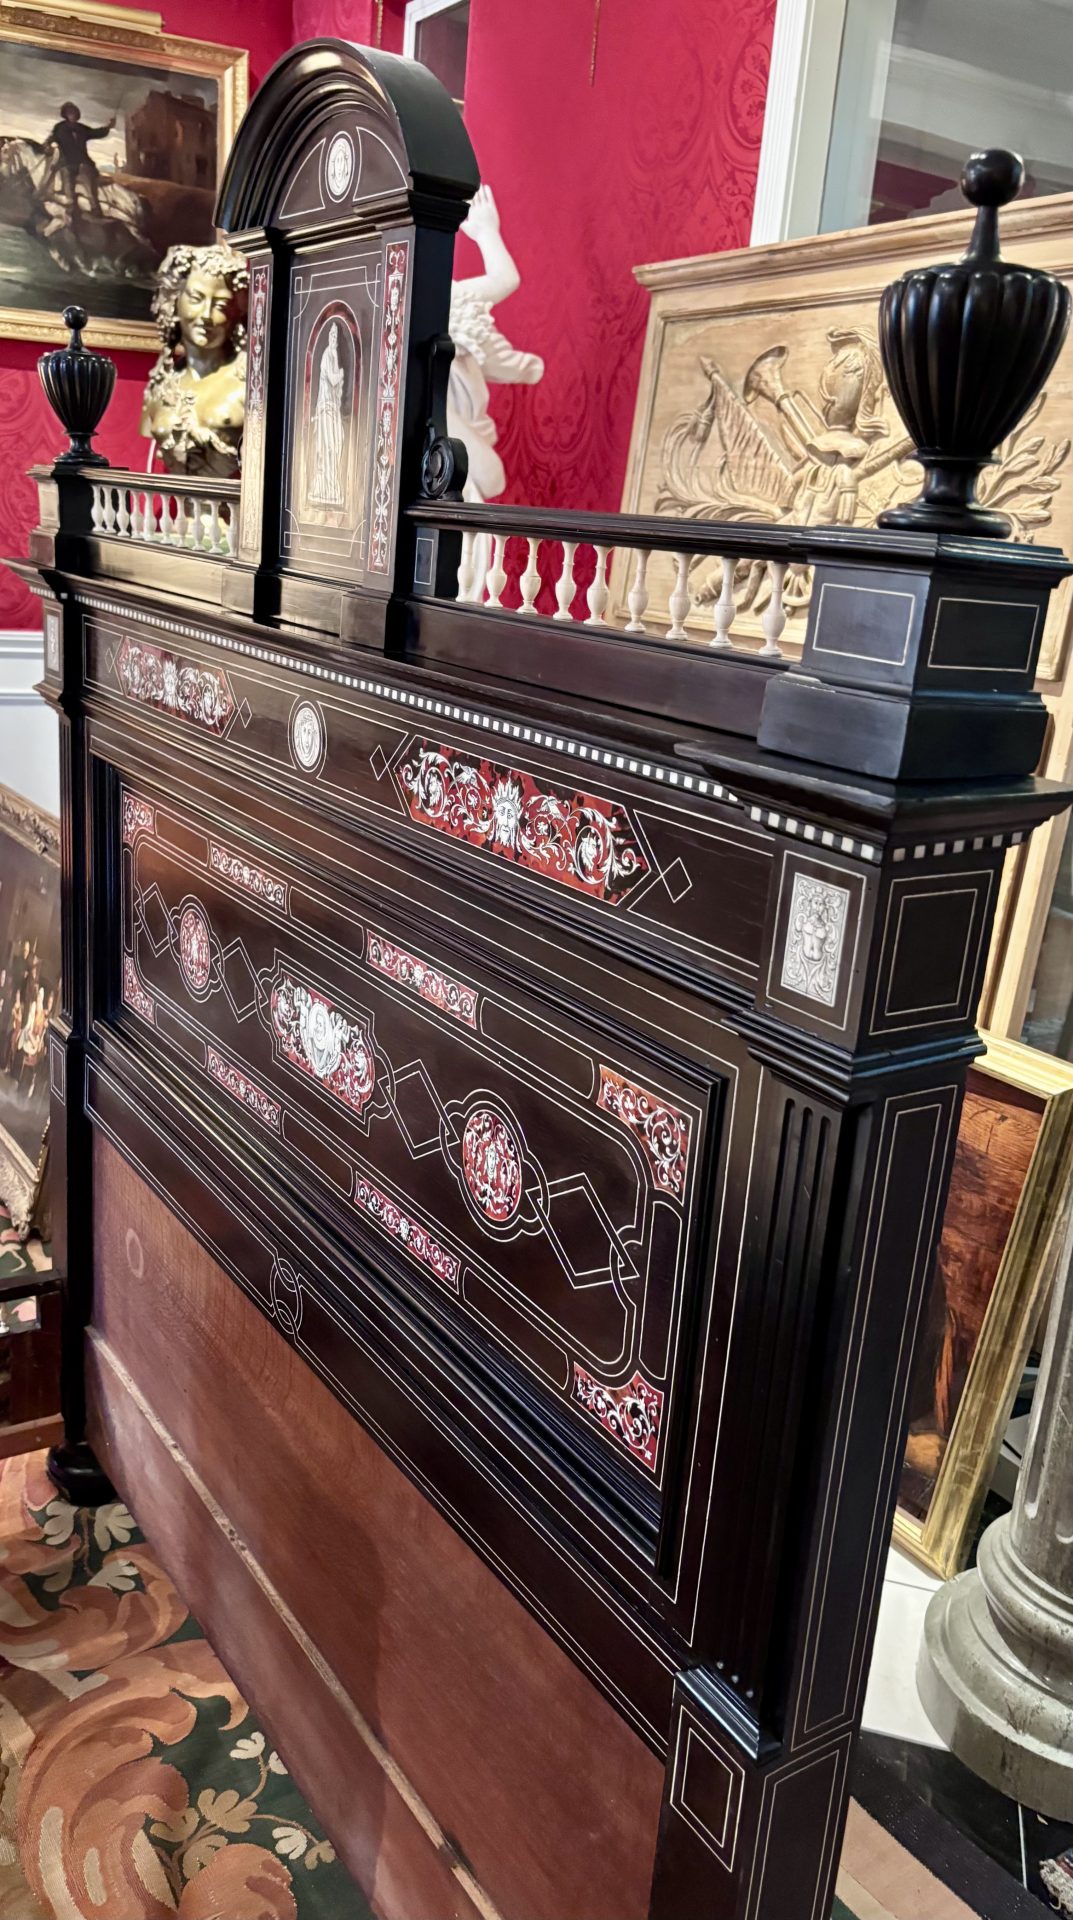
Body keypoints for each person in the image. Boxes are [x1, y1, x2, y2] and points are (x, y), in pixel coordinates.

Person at [141, 244, 249, 477]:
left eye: (220, 305)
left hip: (236, 512)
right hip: (174, 513)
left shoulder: (251, 383)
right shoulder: (161, 383)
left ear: (237, 311)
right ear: (175, 301)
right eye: (196, 298)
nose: (206, 316)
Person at [46, 101, 116, 222]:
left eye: (74, 114)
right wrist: (48, 146)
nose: (72, 116)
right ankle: (72, 209)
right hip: (67, 163)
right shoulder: (59, 128)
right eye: (70, 113)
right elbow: (50, 140)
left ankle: (96, 210)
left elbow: (97, 133)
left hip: (84, 163)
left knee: (89, 184)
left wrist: (108, 127)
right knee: (68, 185)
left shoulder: (81, 128)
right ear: (66, 115)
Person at [309, 322, 346, 506]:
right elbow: (332, 380)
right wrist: (341, 373)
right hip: (325, 409)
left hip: (332, 408)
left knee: (337, 444)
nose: (333, 339)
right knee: (328, 447)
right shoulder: (326, 355)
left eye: (335, 337)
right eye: (331, 336)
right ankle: (324, 488)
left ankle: (331, 488)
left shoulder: (335, 355)